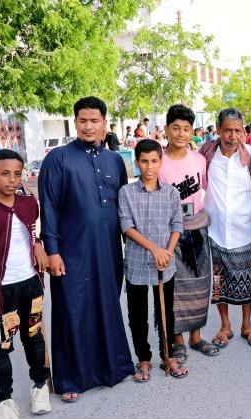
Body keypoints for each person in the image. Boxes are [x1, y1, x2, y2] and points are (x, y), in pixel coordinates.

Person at [38, 96, 134, 402]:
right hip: (71, 250)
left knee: (107, 305)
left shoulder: (115, 161)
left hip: (108, 249)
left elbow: (124, 207)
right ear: (75, 122)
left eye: (94, 121)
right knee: (73, 309)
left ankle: (111, 369)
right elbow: (48, 207)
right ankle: (71, 378)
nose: (89, 126)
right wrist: (52, 250)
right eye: (83, 121)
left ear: (104, 123)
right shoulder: (58, 159)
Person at [0, 150, 51, 419]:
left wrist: (38, 245)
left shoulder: (29, 203)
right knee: (0, 345)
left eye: (17, 174)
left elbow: (32, 232)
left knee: (34, 337)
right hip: (1, 292)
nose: (12, 179)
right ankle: (3, 401)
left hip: (31, 285)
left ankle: (39, 386)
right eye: (5, 173)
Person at [118, 139, 186, 381]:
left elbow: (177, 225)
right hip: (137, 262)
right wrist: (155, 250)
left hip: (164, 263)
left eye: (154, 161)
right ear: (137, 163)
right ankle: (143, 359)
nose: (149, 166)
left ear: (160, 162)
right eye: (144, 161)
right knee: (138, 315)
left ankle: (167, 355)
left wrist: (166, 252)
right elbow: (127, 226)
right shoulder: (126, 192)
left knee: (166, 311)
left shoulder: (171, 192)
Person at [159, 104, 219, 359]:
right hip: (170, 232)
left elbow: (203, 189)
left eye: (186, 129)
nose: (181, 134)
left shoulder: (199, 160)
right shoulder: (158, 161)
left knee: (200, 283)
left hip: (197, 227)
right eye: (176, 128)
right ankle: (177, 340)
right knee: (176, 287)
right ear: (166, 130)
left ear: (192, 132)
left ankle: (196, 337)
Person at [200, 109, 251, 348]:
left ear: (243, 132)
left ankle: (247, 325)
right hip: (215, 231)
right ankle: (225, 326)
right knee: (218, 282)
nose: (232, 136)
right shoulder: (207, 155)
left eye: (238, 130)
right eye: (227, 130)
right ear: (218, 130)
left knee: (247, 279)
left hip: (244, 229)